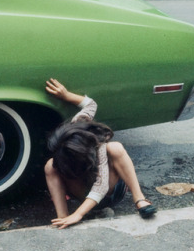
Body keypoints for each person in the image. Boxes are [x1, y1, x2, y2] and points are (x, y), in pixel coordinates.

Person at [44, 78, 157, 229]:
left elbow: (101, 187)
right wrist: (66, 95)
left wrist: (78, 214)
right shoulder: (77, 124)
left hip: (108, 193)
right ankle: (62, 217)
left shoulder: (99, 147)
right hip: (81, 192)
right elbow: (91, 104)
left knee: (115, 147)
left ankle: (139, 199)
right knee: (50, 165)